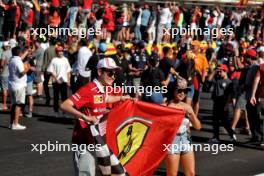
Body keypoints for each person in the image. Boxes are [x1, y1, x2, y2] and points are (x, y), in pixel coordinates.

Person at [60, 57, 132, 176]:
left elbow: (105, 99)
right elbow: (65, 105)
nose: (114, 76)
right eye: (110, 73)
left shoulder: (103, 88)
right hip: (84, 141)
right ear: (99, 72)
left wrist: (121, 98)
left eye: (115, 73)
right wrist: (84, 117)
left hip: (98, 142)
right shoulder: (88, 89)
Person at [165, 78, 201, 176]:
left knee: (191, 173)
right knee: (172, 174)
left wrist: (192, 115)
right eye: (179, 90)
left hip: (185, 139)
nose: (182, 93)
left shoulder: (187, 106)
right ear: (173, 90)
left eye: (185, 91)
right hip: (172, 141)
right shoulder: (166, 106)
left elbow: (198, 127)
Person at [208, 64, 237, 143]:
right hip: (216, 102)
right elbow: (209, 79)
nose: (219, 73)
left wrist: (227, 105)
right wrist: (214, 71)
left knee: (225, 121)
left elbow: (230, 95)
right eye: (218, 71)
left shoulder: (228, 82)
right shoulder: (217, 79)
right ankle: (216, 137)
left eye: (221, 71)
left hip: (223, 103)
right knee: (215, 121)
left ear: (225, 71)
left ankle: (232, 134)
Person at [47, 45, 71, 117]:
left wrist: (68, 81)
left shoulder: (66, 59)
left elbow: (68, 71)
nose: (60, 53)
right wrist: (56, 79)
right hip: (56, 81)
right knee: (56, 97)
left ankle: (64, 112)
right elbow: (51, 71)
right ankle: (56, 111)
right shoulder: (54, 60)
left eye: (61, 51)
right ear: (56, 52)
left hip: (64, 81)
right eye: (59, 51)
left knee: (64, 97)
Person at [8, 46, 29, 130]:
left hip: (13, 84)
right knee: (18, 104)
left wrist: (26, 52)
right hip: (19, 85)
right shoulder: (18, 61)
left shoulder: (12, 59)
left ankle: (11, 123)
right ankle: (15, 124)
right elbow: (22, 72)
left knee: (13, 104)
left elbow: (20, 58)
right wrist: (27, 67)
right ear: (19, 53)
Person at [0, 41, 12, 111]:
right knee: (10, 89)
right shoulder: (12, 52)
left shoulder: (4, 53)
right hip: (11, 74)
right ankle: (11, 104)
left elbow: (1, 65)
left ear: (4, 46)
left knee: (4, 89)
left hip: (4, 73)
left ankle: (4, 104)